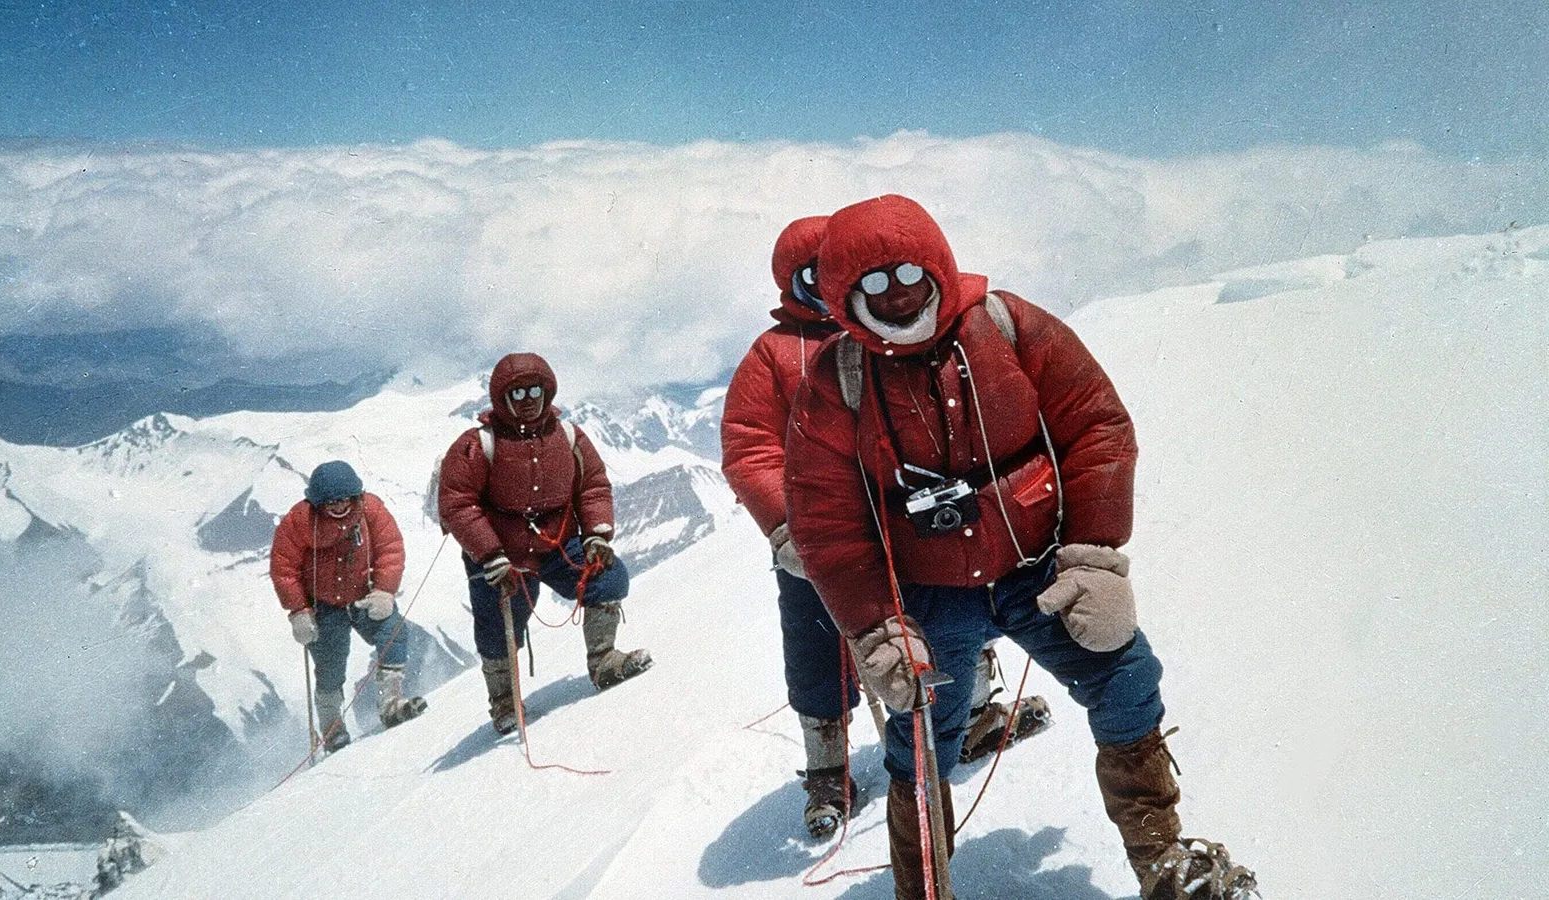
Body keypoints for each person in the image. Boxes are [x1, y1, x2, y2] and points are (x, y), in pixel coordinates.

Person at [784, 194, 1257, 899]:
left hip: (1039, 573)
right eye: (874, 285)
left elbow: (1095, 426)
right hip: (930, 594)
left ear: (938, 263)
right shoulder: (839, 379)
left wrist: (1092, 553)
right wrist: (879, 626)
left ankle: (1164, 867)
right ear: (846, 296)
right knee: (919, 747)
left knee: (1126, 679)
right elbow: (827, 519)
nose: (898, 295)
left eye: (910, 273)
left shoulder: (1006, 325)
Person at [722, 217, 1047, 840]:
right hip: (821, 538)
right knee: (819, 647)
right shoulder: (773, 353)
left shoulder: (890, 337)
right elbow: (749, 446)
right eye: (810, 276)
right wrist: (788, 529)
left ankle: (971, 713)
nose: (826, 287)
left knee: (944, 617)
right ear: (792, 283)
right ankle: (827, 771)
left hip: (906, 526)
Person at [438, 352, 652, 736]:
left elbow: (593, 485)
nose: (527, 399)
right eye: (516, 393)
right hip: (501, 556)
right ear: (501, 398)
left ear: (547, 390)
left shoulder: (568, 436)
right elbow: (458, 502)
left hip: (557, 544)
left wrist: (597, 535)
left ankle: (603, 662)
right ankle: (504, 702)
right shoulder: (477, 445)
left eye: (535, 390)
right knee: (497, 622)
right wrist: (489, 554)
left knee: (606, 576)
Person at [271, 460, 426, 754]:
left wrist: (384, 591)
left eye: (344, 498)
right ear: (318, 501)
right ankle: (332, 730)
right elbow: (284, 569)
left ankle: (391, 704)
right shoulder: (299, 522)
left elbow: (390, 550)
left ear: (355, 495)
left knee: (394, 632)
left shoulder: (371, 510)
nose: (339, 505)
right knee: (330, 667)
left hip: (364, 598)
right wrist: (299, 612)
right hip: (324, 607)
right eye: (331, 501)